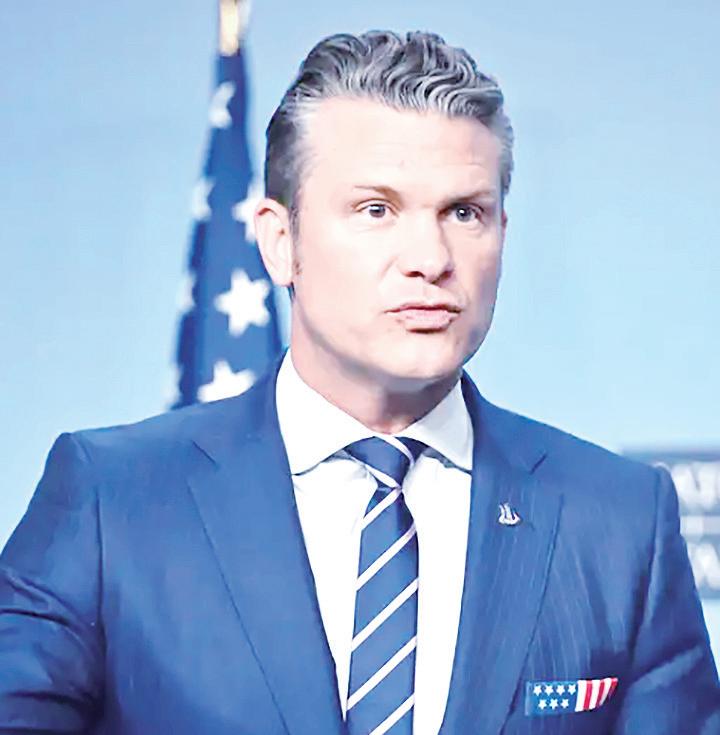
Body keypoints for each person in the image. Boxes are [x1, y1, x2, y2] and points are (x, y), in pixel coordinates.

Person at [1, 30, 718, 735]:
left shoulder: (619, 521)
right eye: (376, 210)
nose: (429, 257)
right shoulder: (112, 499)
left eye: (463, 212)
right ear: (280, 241)